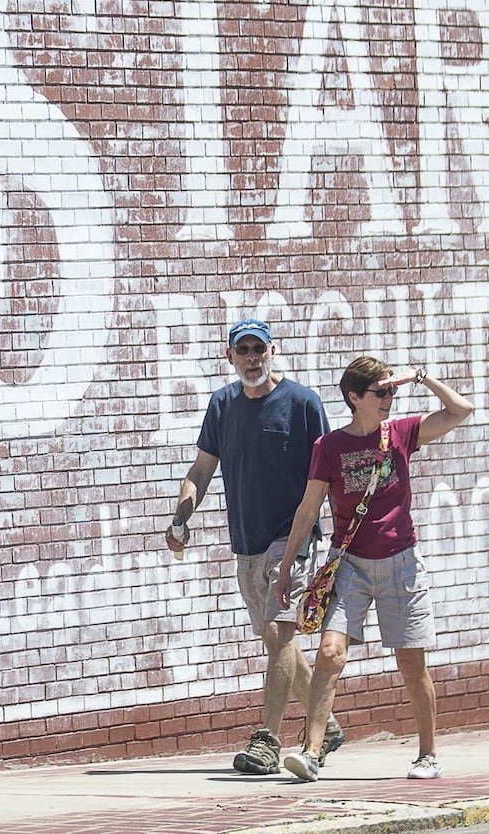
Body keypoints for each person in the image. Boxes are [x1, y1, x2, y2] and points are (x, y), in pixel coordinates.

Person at [272, 357, 475, 783]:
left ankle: (428, 754)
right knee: (329, 654)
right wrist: (287, 566)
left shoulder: (401, 433)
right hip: (350, 566)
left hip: (402, 563)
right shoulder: (328, 448)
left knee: (410, 662)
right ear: (354, 397)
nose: (389, 399)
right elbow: (309, 509)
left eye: (391, 392)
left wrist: (420, 377)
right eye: (380, 392)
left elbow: (460, 410)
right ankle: (311, 753)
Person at [165, 317, 345, 775]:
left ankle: (266, 742)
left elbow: (327, 473)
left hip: (293, 540)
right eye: (242, 350)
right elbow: (201, 470)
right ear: (230, 357)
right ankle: (329, 725)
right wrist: (181, 516)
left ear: (271, 351)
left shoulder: (302, 403)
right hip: (245, 544)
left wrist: (325, 533)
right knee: (275, 643)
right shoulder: (222, 405)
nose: (251, 358)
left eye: (258, 349)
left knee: (280, 634)